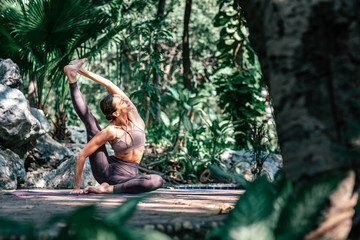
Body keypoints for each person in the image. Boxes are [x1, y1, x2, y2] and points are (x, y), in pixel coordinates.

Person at [63, 58, 163, 194]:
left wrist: (82, 71)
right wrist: (76, 188)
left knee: (157, 180)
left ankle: (109, 189)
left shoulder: (136, 119)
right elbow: (82, 155)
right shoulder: (111, 131)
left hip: (127, 178)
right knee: (92, 126)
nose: (126, 100)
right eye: (122, 101)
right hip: (106, 173)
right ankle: (72, 78)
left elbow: (109, 85)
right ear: (116, 112)